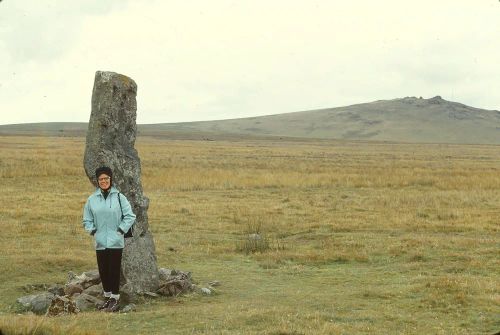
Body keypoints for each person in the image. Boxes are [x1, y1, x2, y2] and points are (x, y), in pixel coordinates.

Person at [82, 166, 136, 312]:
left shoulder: (119, 197)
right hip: (100, 241)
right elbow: (86, 220)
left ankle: (115, 298)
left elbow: (130, 216)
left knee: (114, 270)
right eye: (101, 179)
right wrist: (93, 231)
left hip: (116, 241)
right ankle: (107, 298)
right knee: (103, 270)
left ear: (110, 179)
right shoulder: (92, 199)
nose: (104, 181)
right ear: (97, 181)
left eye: (106, 178)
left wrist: (120, 230)